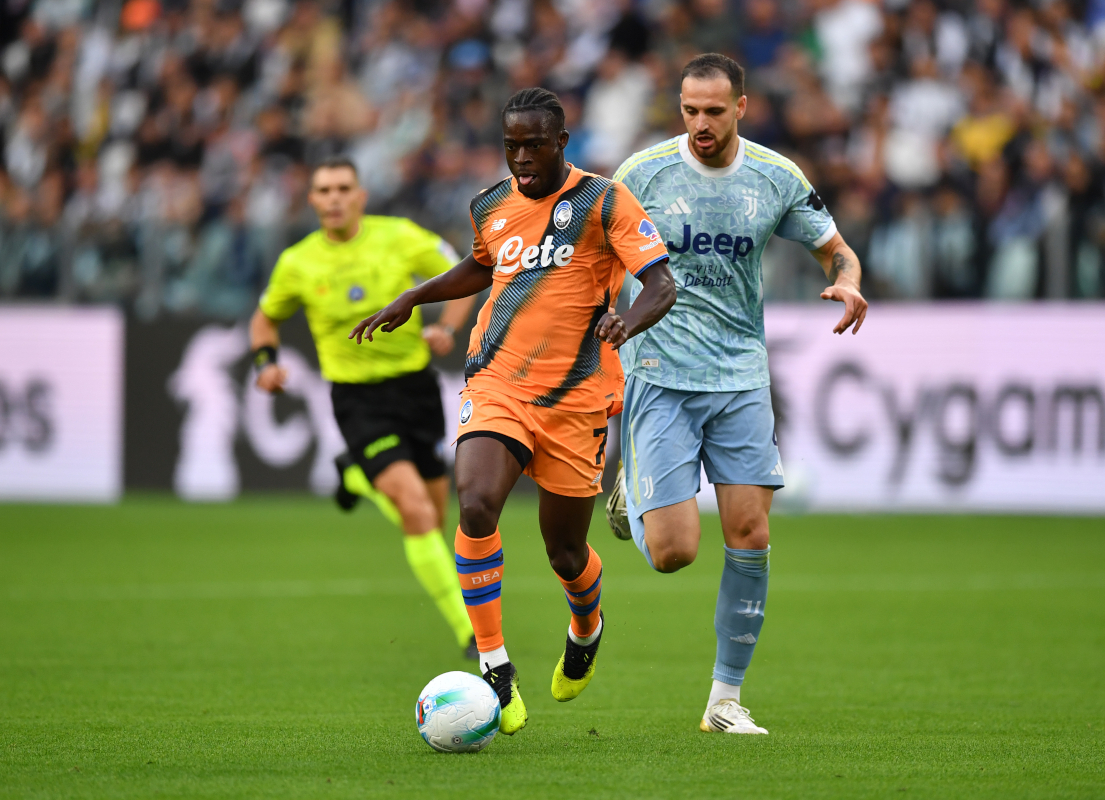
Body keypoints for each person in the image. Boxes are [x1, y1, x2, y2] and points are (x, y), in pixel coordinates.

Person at [350, 88, 676, 736]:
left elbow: (662, 283)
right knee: (474, 505)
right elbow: (480, 266)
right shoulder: (490, 205)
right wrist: (413, 297)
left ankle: (587, 623)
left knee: (564, 550)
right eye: (511, 145)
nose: (521, 157)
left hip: (577, 397)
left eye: (533, 144)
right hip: (496, 382)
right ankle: (496, 666)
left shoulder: (605, 201)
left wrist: (627, 321)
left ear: (561, 142)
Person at [607, 54, 869, 735]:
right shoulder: (643, 175)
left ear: (741, 108)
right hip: (661, 370)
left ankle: (725, 701)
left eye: (714, 111)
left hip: (740, 376)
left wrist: (847, 279)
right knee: (673, 553)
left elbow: (835, 248)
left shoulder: (774, 177)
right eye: (690, 110)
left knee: (750, 532)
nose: (700, 123)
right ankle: (631, 492)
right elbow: (598, 254)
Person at [250, 155, 478, 658]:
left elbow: (467, 272)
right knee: (416, 511)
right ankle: (469, 631)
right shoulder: (298, 262)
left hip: (415, 391)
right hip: (357, 400)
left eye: (342, 188)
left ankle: (355, 476)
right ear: (311, 201)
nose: (333, 198)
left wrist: (447, 326)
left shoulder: (399, 236)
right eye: (323, 190)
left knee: (434, 522)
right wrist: (265, 362)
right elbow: (264, 319)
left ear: (360, 196)